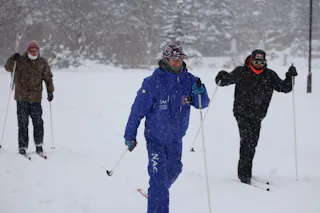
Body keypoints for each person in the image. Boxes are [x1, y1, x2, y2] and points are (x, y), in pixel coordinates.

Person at [124, 42, 210, 213]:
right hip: (155, 139)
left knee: (175, 170)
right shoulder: (153, 82)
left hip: (175, 139)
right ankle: (157, 196)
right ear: (166, 59)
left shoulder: (190, 80)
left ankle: (156, 192)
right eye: (173, 59)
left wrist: (200, 92)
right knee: (159, 182)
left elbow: (202, 104)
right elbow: (137, 111)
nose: (177, 63)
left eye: (179, 59)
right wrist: (130, 134)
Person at [215, 49, 297, 184]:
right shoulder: (242, 72)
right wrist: (221, 76)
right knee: (246, 141)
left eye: (261, 61)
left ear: (265, 62)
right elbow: (224, 81)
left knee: (252, 143)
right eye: (256, 61)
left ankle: (247, 171)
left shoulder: (269, 75)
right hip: (241, 113)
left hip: (257, 116)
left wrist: (290, 76)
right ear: (251, 60)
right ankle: (244, 175)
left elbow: (284, 88)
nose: (258, 63)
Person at [4, 40, 54, 155]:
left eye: (35, 51)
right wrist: (13, 59)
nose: (33, 53)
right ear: (27, 51)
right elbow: (7, 67)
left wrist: (50, 91)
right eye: (31, 51)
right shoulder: (20, 60)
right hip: (21, 98)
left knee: (38, 123)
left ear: (38, 51)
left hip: (36, 99)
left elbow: (48, 78)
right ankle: (22, 147)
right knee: (22, 124)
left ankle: (39, 145)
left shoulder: (42, 62)